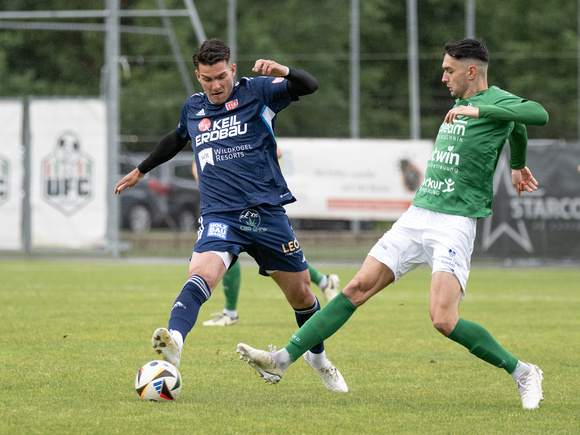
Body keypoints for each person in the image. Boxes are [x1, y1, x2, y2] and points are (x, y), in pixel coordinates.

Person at [236, 39, 549, 409]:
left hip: (454, 223)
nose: (443, 76)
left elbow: (535, 115)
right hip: (418, 214)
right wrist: (517, 162)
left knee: (444, 319)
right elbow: (514, 126)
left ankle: (524, 372)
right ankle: (281, 361)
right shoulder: (464, 104)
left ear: (471, 71)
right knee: (354, 289)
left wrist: (489, 125)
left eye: (449, 69)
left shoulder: (487, 104)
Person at [114, 38, 347, 392]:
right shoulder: (193, 108)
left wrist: (283, 70)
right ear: (198, 76)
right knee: (201, 271)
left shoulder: (258, 92)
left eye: (221, 76)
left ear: (233, 70)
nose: (215, 85)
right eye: (207, 79)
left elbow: (309, 85)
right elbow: (176, 139)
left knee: (301, 295)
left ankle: (318, 359)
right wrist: (142, 170)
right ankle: (174, 341)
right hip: (221, 213)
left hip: (266, 213)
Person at [190, 155, 340, 327]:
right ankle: (324, 281)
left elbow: (277, 150)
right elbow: (198, 161)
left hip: (257, 200)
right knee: (224, 249)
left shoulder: (249, 132)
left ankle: (230, 313)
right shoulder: (209, 132)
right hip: (228, 200)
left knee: (279, 259)